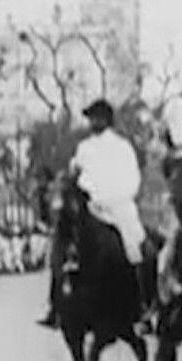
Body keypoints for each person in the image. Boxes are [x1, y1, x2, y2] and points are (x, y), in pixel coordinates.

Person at [38, 99, 151, 330]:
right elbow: (74, 174)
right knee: (62, 242)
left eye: (97, 117)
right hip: (89, 207)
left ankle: (143, 304)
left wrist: (113, 197)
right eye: (91, 118)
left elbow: (132, 180)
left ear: (107, 120)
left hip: (117, 206)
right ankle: (55, 305)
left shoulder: (122, 147)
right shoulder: (84, 148)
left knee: (137, 247)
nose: (93, 122)